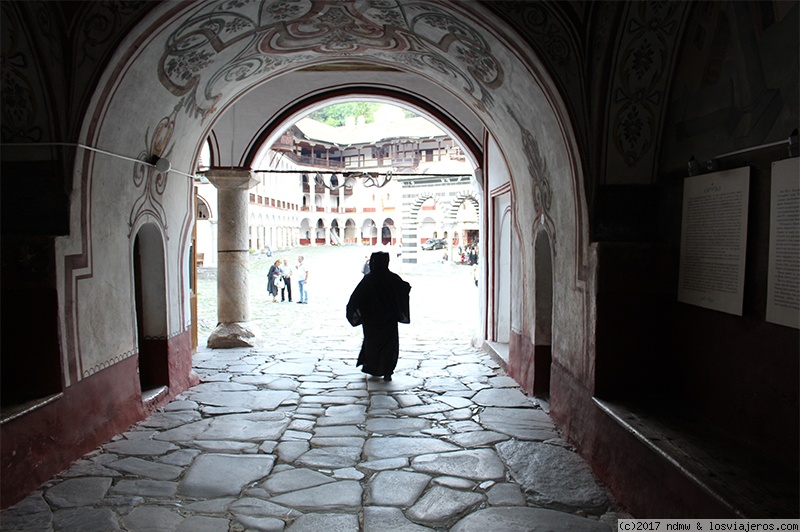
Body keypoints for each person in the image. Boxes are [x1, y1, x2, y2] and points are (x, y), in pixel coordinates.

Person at [346, 251, 411, 382]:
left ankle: (373, 367)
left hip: (371, 320)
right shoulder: (393, 278)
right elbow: (404, 288)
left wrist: (357, 313)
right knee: (389, 345)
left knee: (372, 344)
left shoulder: (369, 279)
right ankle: (387, 371)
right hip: (389, 320)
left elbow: (356, 298)